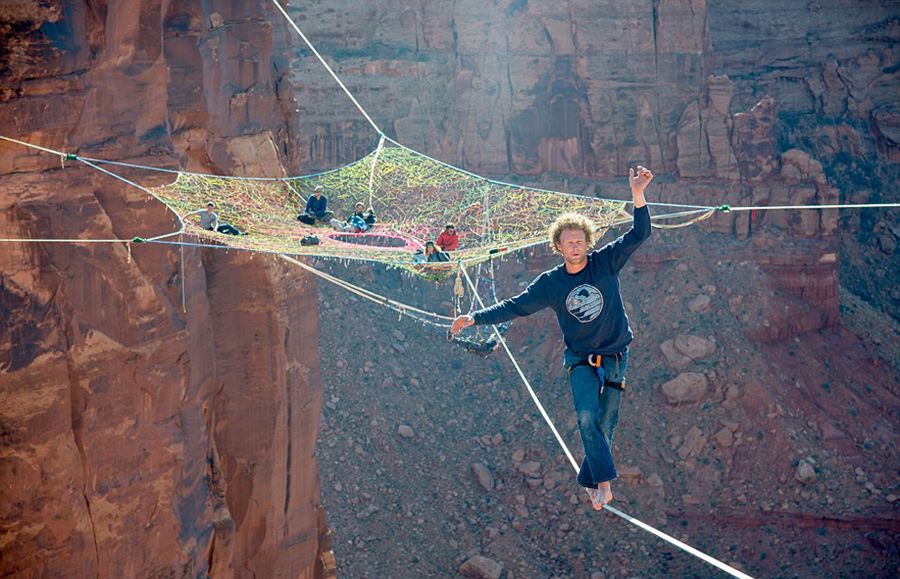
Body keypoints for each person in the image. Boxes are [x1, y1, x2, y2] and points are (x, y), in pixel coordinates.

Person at [451, 166, 654, 511]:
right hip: (580, 361)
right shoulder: (551, 283)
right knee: (587, 417)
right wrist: (475, 318)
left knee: (606, 422)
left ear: (588, 243)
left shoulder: (604, 263)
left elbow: (640, 234)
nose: (575, 246)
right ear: (557, 246)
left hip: (616, 355)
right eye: (568, 241)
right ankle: (603, 485)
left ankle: (590, 482)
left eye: (580, 241)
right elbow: (516, 306)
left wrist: (637, 194)